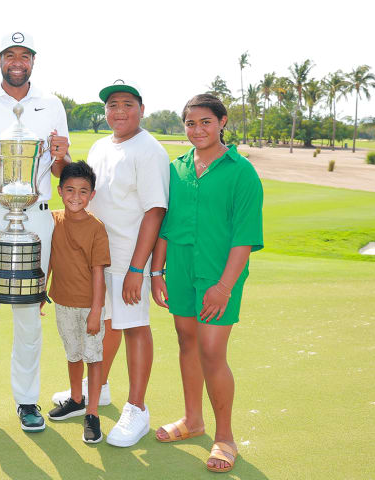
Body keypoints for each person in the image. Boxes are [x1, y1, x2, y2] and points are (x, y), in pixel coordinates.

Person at [0, 31, 70, 434]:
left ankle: (26, 401)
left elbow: (60, 171)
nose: (17, 61)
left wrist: (61, 156)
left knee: (28, 318)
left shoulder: (52, 104)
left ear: (33, 62)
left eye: (24, 55)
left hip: (35, 217)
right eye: (10, 55)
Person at [151, 93, 263, 473]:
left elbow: (244, 236)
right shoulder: (176, 168)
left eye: (205, 122)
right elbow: (166, 226)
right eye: (190, 123)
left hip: (219, 276)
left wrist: (224, 286)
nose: (197, 130)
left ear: (222, 122)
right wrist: (156, 272)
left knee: (212, 353)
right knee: (186, 341)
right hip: (179, 271)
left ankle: (225, 436)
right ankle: (192, 421)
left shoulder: (241, 171)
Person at [84, 79, 169, 448]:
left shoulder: (149, 150)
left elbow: (155, 211)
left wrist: (139, 269)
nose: (118, 111)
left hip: (127, 258)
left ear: (141, 109)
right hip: (99, 257)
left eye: (127, 104)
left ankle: (137, 408)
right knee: (105, 325)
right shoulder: (100, 145)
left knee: (134, 327)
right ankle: (98, 390)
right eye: (112, 105)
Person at [44, 161, 110, 444]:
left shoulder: (96, 228)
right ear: (60, 191)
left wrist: (96, 311)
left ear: (92, 195)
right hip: (63, 302)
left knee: (93, 358)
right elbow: (47, 259)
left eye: (83, 191)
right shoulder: (53, 219)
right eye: (69, 190)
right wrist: (39, 293)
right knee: (73, 354)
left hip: (89, 305)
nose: (75, 196)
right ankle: (75, 399)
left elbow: (98, 272)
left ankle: (92, 413)